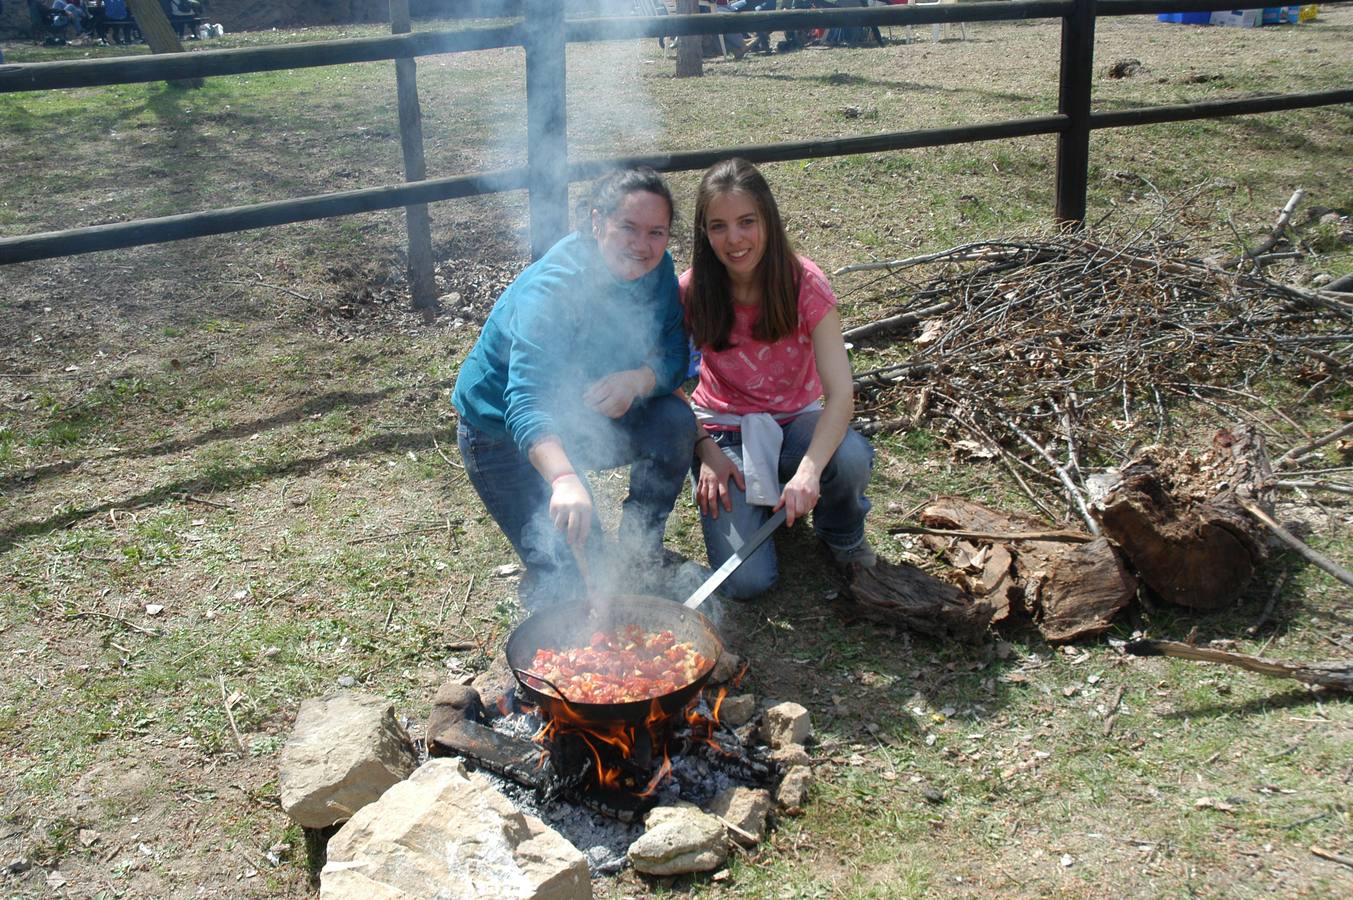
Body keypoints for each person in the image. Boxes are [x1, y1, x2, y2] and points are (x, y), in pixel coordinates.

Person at [453, 168, 697, 609]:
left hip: (582, 417)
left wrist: (638, 380)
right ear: (597, 221)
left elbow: (677, 352)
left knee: (674, 422)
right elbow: (524, 401)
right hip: (501, 437)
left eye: (655, 232)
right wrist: (565, 479)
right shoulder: (554, 290)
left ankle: (641, 551)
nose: (642, 246)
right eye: (627, 227)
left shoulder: (656, 267)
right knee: (579, 583)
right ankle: (568, 572)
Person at [682, 157, 874, 600]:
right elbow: (667, 384)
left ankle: (840, 535)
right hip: (723, 432)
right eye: (718, 226)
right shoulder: (691, 290)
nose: (734, 239)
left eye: (746, 221)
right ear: (703, 232)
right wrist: (704, 449)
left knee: (847, 458)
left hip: (796, 425)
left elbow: (841, 392)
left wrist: (809, 472)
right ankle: (761, 499)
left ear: (767, 218)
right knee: (746, 583)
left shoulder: (805, 283)